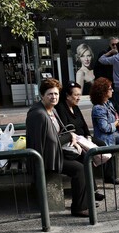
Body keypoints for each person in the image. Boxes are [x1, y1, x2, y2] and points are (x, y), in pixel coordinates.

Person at [26, 79, 91, 218]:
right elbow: (49, 142)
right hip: (46, 159)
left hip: (55, 153)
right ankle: (79, 208)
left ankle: (88, 198)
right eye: (50, 94)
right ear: (42, 95)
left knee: (86, 157)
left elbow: (57, 134)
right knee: (79, 169)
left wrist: (71, 137)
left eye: (56, 94)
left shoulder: (51, 110)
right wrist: (69, 137)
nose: (54, 97)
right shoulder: (39, 114)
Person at [55, 80, 106, 200]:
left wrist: (89, 137)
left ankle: (107, 176)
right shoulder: (61, 108)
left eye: (80, 94)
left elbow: (83, 125)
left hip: (83, 138)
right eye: (76, 95)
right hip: (73, 142)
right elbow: (65, 130)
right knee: (86, 156)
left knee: (102, 144)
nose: (79, 98)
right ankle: (92, 191)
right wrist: (81, 141)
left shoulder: (76, 107)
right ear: (67, 96)